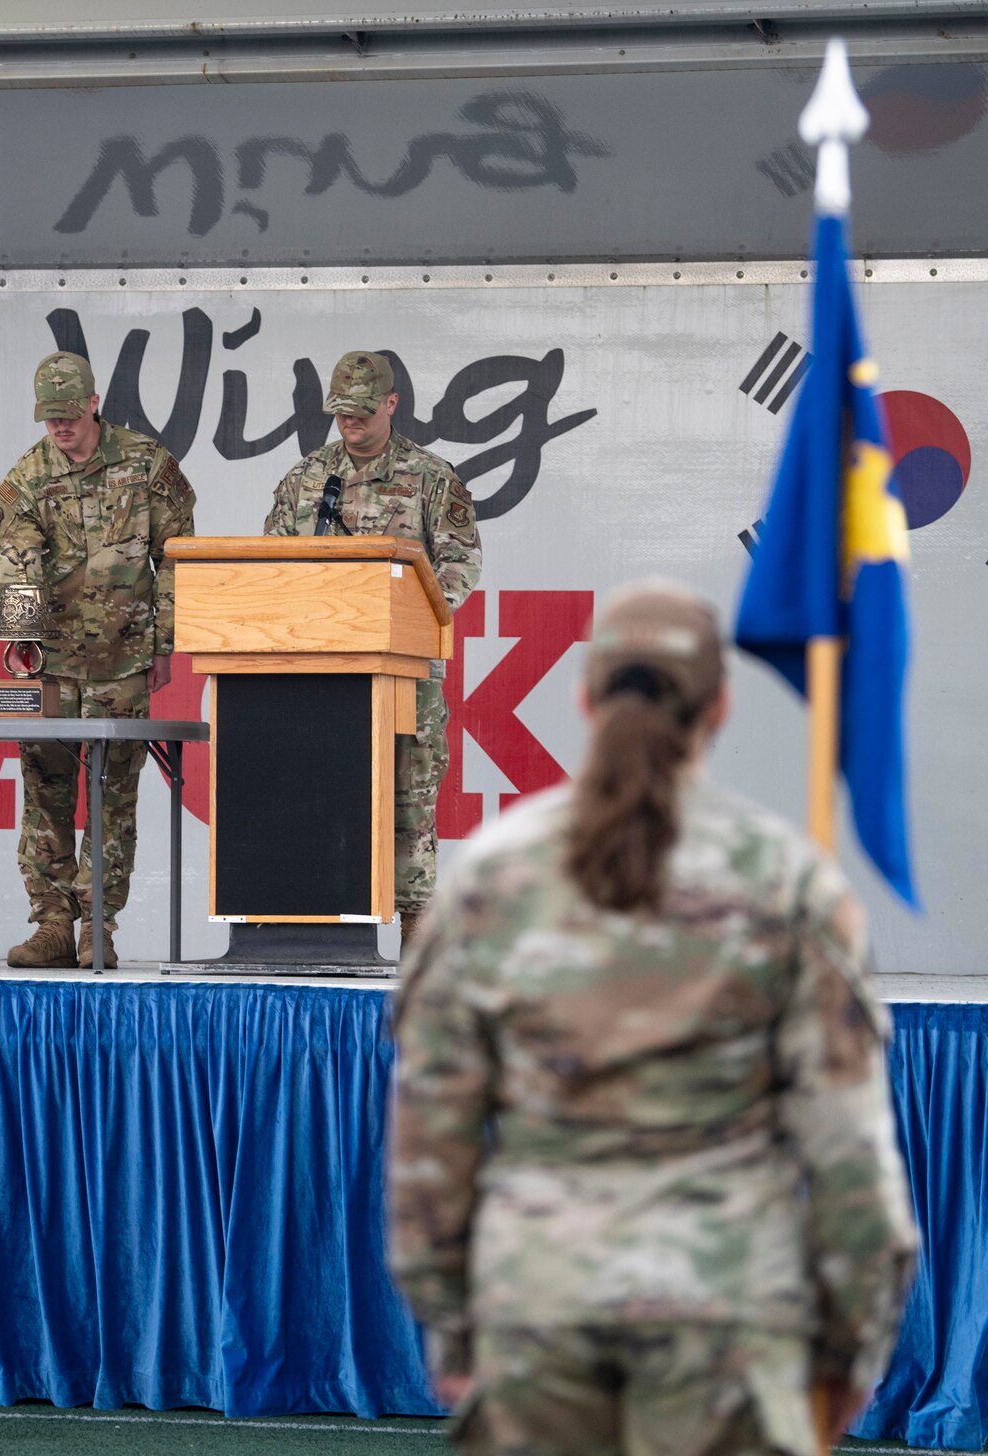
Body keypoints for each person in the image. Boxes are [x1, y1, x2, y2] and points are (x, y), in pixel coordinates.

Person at [387, 582, 918, 1455]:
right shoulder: (787, 881)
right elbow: (850, 1154)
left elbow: (428, 1140)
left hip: (540, 1316)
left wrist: (454, 1327)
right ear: (721, 707)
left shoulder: (489, 880)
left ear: (584, 699)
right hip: (729, 1323)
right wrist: (851, 1349)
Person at [260, 350, 481, 948]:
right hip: (319, 672)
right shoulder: (307, 479)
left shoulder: (431, 478)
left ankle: (416, 925)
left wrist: (418, 615)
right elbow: (271, 564)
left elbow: (460, 561)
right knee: (318, 788)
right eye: (340, 413)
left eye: (361, 412)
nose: (349, 423)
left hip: (405, 670)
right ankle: (313, 921)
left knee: (409, 790)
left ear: (391, 404)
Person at [0, 350, 196, 968]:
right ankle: (53, 923)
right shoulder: (26, 479)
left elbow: (177, 558)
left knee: (113, 797)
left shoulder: (147, 465)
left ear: (94, 404)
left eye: (70, 415)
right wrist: (21, 640)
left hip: (123, 663)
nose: (60, 428)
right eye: (49, 418)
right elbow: (12, 559)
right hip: (50, 666)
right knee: (45, 792)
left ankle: (96, 927)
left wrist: (164, 644)